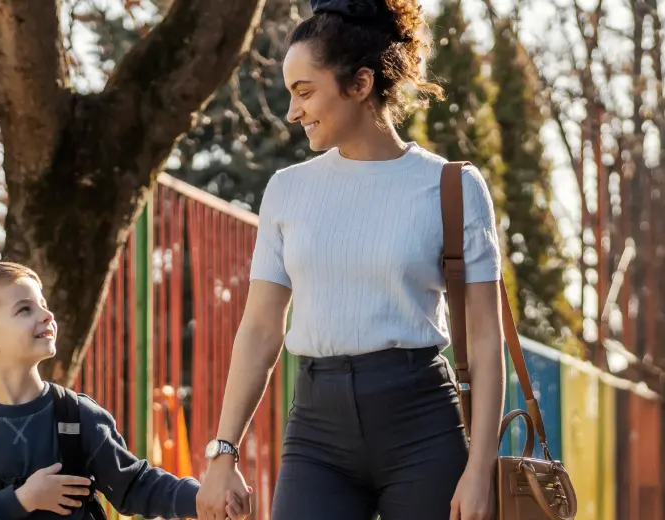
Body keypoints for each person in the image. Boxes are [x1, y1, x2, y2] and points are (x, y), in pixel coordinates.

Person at [191, 0, 507, 519]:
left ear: (359, 85)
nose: (293, 111)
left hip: (423, 428)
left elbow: (484, 337)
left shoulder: (452, 186)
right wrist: (224, 453)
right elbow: (260, 330)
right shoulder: (287, 191)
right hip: (317, 433)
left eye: (305, 91)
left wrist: (479, 469)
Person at [0, 262, 249, 520]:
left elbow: (133, 484)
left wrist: (201, 498)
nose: (47, 315)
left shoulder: (77, 416)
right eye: (24, 310)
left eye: (43, 304)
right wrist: (22, 499)